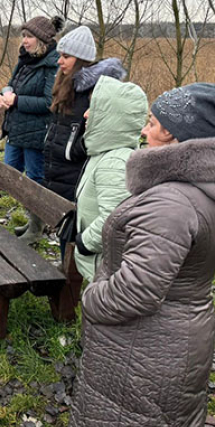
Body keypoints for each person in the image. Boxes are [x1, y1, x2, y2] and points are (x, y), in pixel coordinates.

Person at [69, 83, 215, 427]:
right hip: (185, 333)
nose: (143, 131)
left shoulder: (171, 202)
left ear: (170, 133)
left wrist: (91, 296)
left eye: (151, 123)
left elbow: (136, 292)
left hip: (143, 349)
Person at [41, 25, 126, 249]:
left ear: (82, 60)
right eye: (60, 55)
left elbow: (103, 134)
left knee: (73, 234)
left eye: (66, 56)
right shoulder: (64, 83)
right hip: (58, 171)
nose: (59, 61)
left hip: (77, 173)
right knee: (64, 231)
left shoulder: (98, 91)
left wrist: (74, 149)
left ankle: (70, 280)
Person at [71, 75, 148, 282]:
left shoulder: (115, 162)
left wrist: (84, 242)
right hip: (98, 261)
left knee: (100, 309)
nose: (85, 115)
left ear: (112, 117)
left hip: (103, 265)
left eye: (93, 110)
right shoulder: (104, 153)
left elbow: (113, 219)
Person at [0, 15, 62, 243]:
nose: (24, 40)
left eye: (29, 36)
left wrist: (16, 101)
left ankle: (36, 227)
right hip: (15, 130)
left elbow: (49, 103)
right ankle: (32, 220)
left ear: (42, 40)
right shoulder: (25, 60)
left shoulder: (52, 64)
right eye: (23, 35)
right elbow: (11, 85)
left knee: (35, 179)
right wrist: (1, 96)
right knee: (9, 174)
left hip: (37, 134)